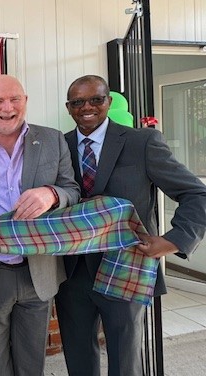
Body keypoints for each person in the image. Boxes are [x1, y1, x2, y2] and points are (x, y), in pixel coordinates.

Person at [56, 74, 206, 376]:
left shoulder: (142, 142)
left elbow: (195, 193)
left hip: (126, 268)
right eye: (78, 102)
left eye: (96, 99)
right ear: (69, 108)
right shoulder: (57, 146)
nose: (87, 107)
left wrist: (174, 239)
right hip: (72, 274)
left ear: (108, 102)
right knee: (78, 361)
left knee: (126, 363)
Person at [0, 75, 80, 376]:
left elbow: (72, 191)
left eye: (14, 99)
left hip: (39, 268)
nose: (7, 108)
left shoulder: (52, 139)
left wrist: (51, 194)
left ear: (25, 102)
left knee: (32, 358)